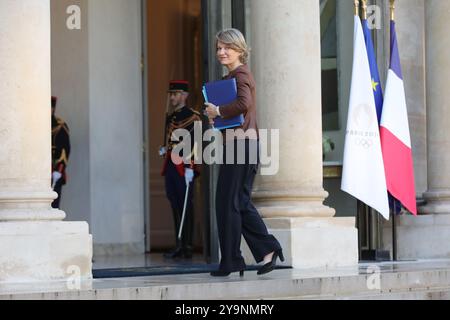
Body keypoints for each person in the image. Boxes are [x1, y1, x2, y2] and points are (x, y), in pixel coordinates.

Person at [205, 28, 284, 277]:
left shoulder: (240, 75)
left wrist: (218, 111)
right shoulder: (236, 76)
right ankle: (265, 250)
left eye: (227, 47)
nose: (221, 52)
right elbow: (240, 112)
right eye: (218, 48)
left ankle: (233, 260)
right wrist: (217, 119)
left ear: (240, 49)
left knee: (227, 203)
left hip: (242, 146)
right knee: (237, 202)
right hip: (242, 144)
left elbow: (243, 104)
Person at [160, 80, 202, 259]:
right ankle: (179, 243)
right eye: (171, 94)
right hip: (170, 164)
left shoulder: (193, 117)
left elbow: (197, 144)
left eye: (175, 94)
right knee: (175, 203)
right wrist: (164, 148)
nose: (172, 97)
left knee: (186, 204)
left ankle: (187, 245)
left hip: (184, 166)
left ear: (184, 96)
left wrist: (191, 166)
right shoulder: (171, 117)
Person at [51, 96, 71, 209]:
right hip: (40, 171)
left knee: (54, 206)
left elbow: (65, 149)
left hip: (55, 170)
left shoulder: (61, 126)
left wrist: (59, 169)